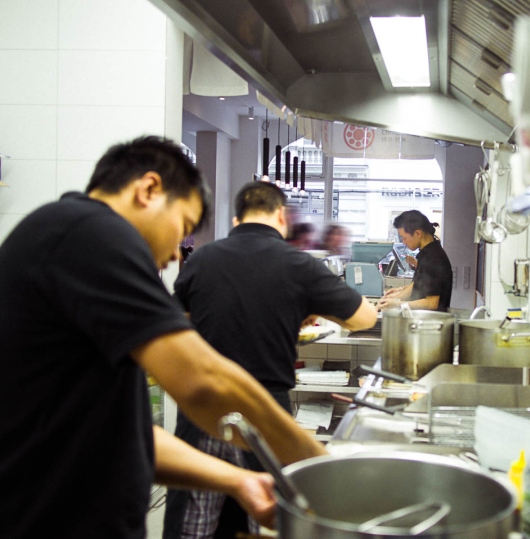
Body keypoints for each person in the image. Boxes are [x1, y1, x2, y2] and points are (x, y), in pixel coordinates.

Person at [0, 136, 327, 539]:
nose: (177, 253)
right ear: (149, 189)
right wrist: (322, 472)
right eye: (184, 227)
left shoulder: (74, 240)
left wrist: (237, 480)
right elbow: (204, 382)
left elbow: (127, 435)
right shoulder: (89, 231)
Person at [164, 181, 377, 539]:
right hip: (264, 410)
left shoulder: (202, 257)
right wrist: (300, 309)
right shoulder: (298, 264)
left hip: (203, 405)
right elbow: (365, 318)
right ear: (281, 215)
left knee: (191, 526)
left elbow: (176, 317)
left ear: (236, 219)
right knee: (262, 519)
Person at [377, 209, 453, 312]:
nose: (403, 242)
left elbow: (431, 303)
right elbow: (417, 285)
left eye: (404, 238)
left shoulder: (433, 258)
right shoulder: (425, 253)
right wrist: (397, 295)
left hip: (432, 323)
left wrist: (397, 304)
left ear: (418, 234)